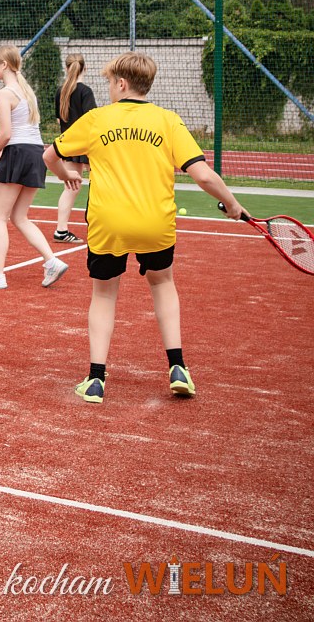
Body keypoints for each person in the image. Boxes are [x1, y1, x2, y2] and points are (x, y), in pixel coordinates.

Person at [46, 51, 246, 403]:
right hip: (156, 222)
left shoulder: (97, 119)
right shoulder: (168, 121)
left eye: (110, 83)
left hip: (109, 223)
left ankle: (95, 379)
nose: (109, 88)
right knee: (163, 283)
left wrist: (67, 175)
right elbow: (202, 174)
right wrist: (231, 203)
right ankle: (178, 368)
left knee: (104, 294)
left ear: (122, 84)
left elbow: (50, 156)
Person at [0, 45, 72, 289]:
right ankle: (52, 261)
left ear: (4, 64)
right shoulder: (27, 92)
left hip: (17, 153)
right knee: (19, 216)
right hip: (35, 154)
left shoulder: (4, 94)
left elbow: (6, 134)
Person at [52, 53, 97, 243]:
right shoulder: (85, 92)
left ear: (66, 68)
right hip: (86, 144)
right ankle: (97, 225)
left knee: (70, 187)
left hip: (68, 144)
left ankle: (61, 230)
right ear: (85, 68)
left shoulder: (60, 91)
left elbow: (59, 120)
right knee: (98, 184)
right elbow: (92, 121)